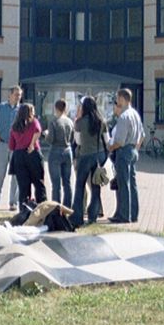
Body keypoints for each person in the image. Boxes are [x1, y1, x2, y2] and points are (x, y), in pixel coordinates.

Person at [68, 96, 108, 228]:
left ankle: (77, 216)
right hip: (99, 156)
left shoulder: (79, 122)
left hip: (85, 156)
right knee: (96, 187)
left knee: (80, 186)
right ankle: (93, 216)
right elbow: (107, 140)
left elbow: (78, 141)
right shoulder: (102, 121)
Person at [107, 88, 145, 223]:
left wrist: (109, 147)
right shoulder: (135, 114)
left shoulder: (124, 116)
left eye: (117, 99)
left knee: (123, 184)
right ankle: (133, 214)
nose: (116, 101)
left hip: (123, 151)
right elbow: (142, 135)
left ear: (122, 99)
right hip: (133, 150)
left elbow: (119, 141)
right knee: (132, 184)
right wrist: (136, 149)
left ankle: (123, 215)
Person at [0, 85, 22, 211]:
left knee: (16, 176)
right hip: (2, 145)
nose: (18, 97)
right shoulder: (1, 107)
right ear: (10, 95)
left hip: (17, 147)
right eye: (16, 94)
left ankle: (13, 203)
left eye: (19, 95)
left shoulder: (22, 110)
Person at [8, 103, 46, 205]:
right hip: (32, 154)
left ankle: (24, 208)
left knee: (23, 186)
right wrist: (32, 144)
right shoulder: (33, 122)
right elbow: (38, 131)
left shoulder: (14, 126)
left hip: (19, 155)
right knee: (38, 183)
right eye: (32, 111)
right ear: (29, 112)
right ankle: (42, 206)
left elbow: (11, 145)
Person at [45, 99, 74, 208]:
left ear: (55, 108)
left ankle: (56, 207)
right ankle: (67, 206)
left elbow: (50, 139)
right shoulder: (70, 122)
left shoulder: (53, 121)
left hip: (55, 151)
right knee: (67, 182)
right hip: (67, 151)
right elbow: (72, 139)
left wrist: (46, 134)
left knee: (56, 183)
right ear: (65, 109)